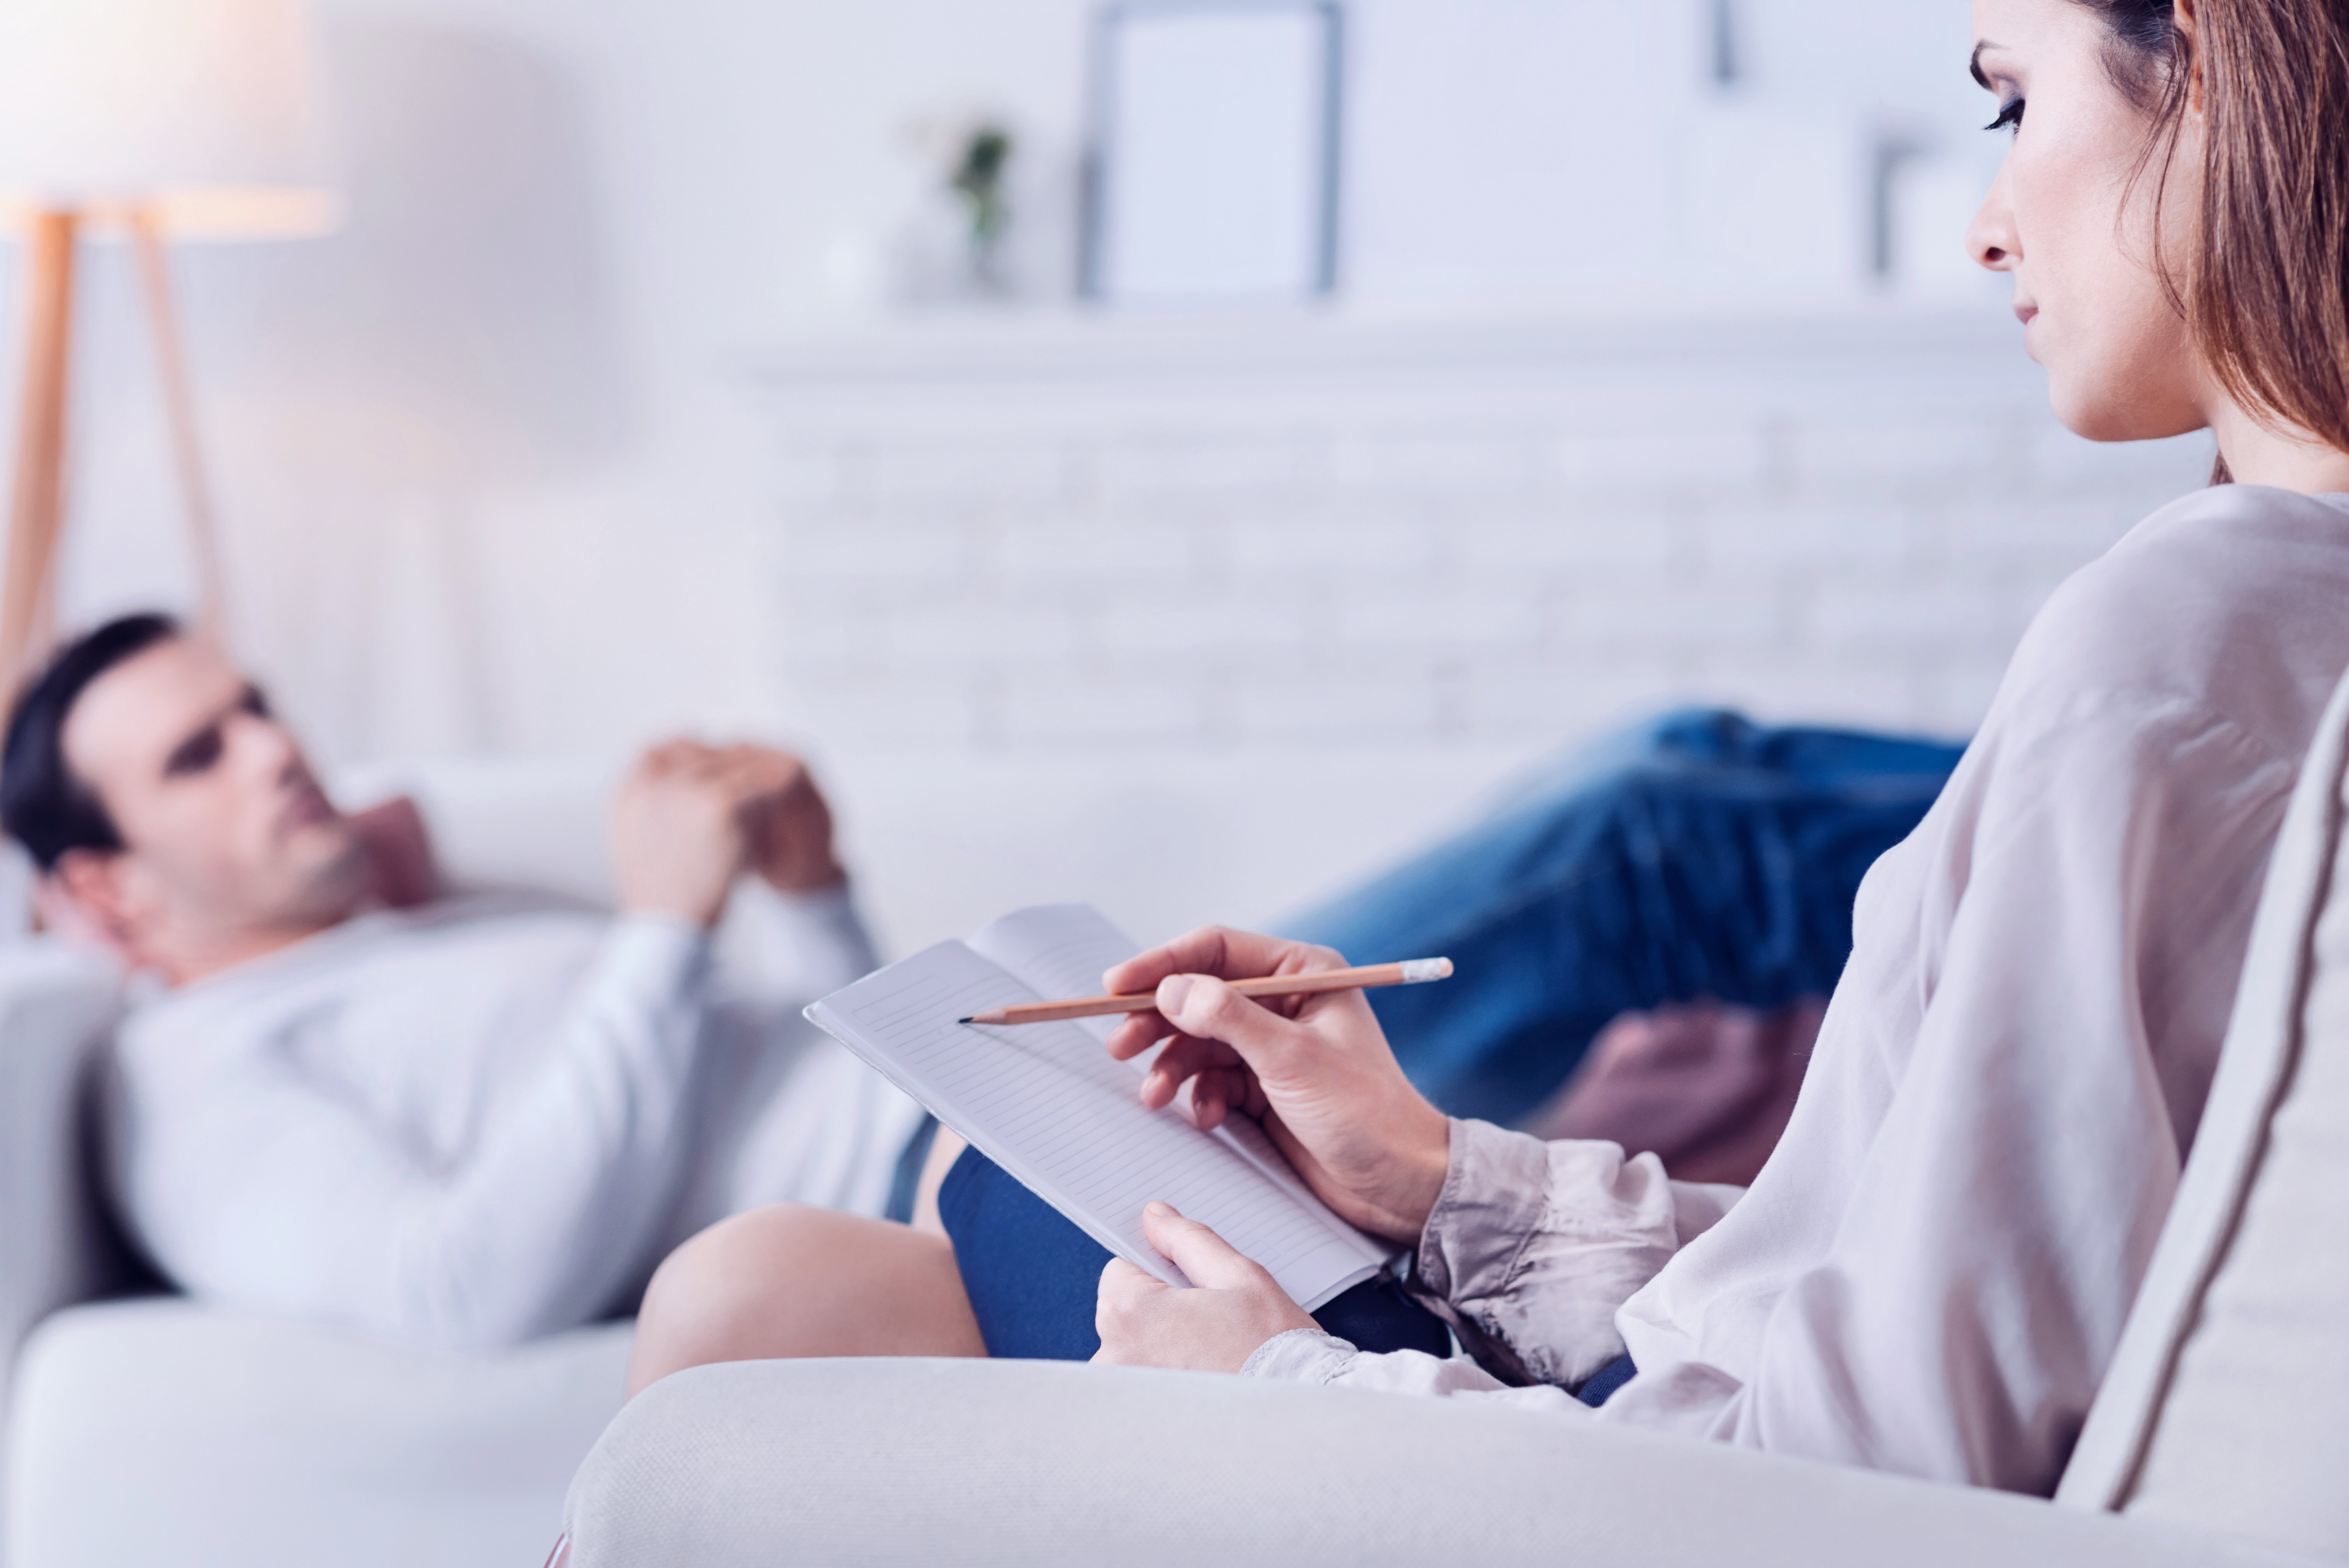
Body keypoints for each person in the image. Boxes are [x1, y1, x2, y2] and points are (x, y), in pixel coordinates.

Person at [626, 0, 2349, 1500]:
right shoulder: (2266, 626)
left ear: (2204, 74)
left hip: (1641, 1494)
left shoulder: (2168, 651)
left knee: (820, 1263)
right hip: (1663, 1435)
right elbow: (1873, 1299)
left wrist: (1276, 1395)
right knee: (786, 1284)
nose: (1984, 223)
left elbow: (1880, 1476)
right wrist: (1442, 1175)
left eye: (2008, 95)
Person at [0, 614, 976, 1352]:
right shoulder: (191, 1085)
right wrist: (666, 927)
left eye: (254, 708)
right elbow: (462, 1288)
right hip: (924, 1197)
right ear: (108, 891)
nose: (274, 749)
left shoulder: (394, 934)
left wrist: (810, 895)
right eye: (197, 758)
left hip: (956, 1103)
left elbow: (816, 1083)